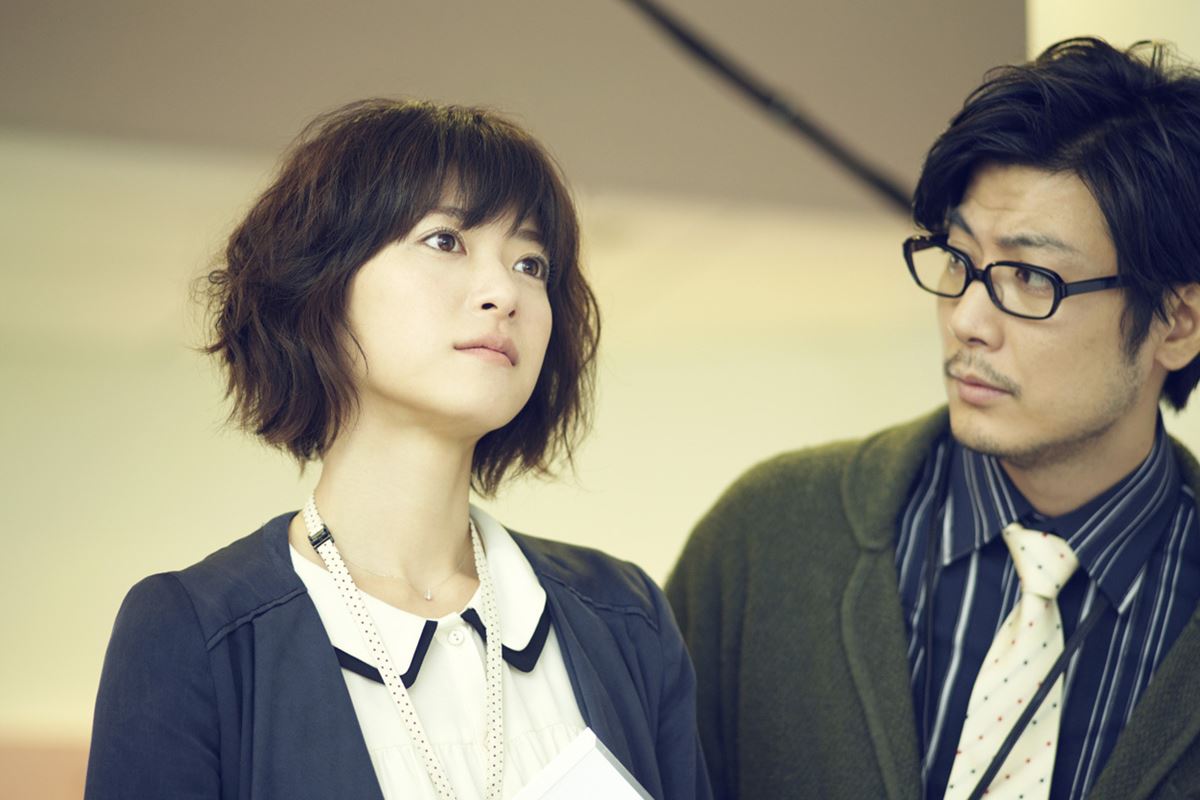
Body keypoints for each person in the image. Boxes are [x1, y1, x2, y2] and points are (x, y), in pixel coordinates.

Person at [85, 99, 710, 800]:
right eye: (445, 240)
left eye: (531, 263)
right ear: (322, 285)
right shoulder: (195, 632)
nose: (504, 292)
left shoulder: (625, 617)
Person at [667, 37, 1200, 800]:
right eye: (957, 259)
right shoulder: (769, 537)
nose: (967, 320)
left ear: (1177, 324)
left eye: (1030, 277)